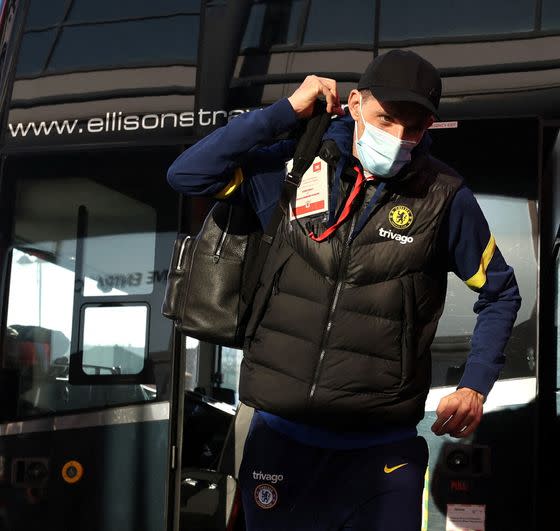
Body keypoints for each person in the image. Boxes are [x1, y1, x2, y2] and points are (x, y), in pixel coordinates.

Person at [167, 50, 520, 531]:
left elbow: (500, 293)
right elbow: (187, 174)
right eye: (386, 119)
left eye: (414, 128)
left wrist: (475, 384)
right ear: (354, 104)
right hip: (280, 442)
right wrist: (285, 112)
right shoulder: (294, 167)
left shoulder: (444, 195)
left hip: (381, 452)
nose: (398, 138)